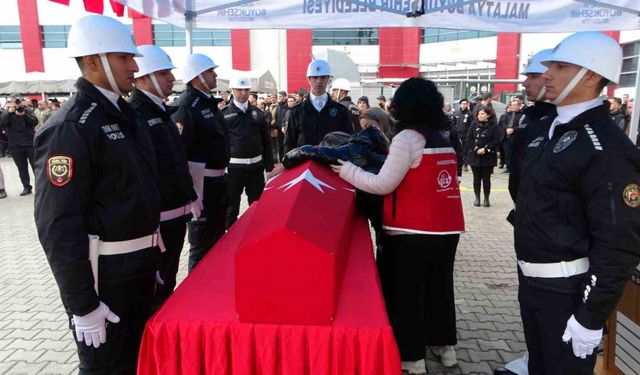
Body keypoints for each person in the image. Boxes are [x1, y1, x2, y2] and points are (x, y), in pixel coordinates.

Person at [33, 15, 162, 374]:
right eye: (125, 57)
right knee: (106, 368)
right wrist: (82, 304)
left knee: (137, 363)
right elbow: (58, 225)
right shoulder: (71, 127)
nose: (135, 66)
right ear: (93, 61)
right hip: (104, 279)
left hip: (137, 269)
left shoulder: (126, 113)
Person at [514, 32, 640, 375]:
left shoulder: (605, 147)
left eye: (561, 66)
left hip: (568, 290)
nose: (548, 73)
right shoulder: (548, 129)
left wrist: (590, 314)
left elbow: (619, 241)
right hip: (534, 283)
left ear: (591, 76)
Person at [331, 77, 464, 374]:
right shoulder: (442, 137)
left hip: (410, 231)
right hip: (447, 228)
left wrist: (347, 170)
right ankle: (445, 347)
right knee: (439, 289)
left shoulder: (407, 138)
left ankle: (412, 358)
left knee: (408, 294)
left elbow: (382, 184)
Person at [496, 48, 558, 375]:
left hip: (553, 236)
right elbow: (517, 169)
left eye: (533, 75)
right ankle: (534, 357)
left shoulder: (560, 123)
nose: (525, 81)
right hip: (528, 224)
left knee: (549, 308)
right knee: (529, 301)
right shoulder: (531, 118)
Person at [128, 45, 196, 310]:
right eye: (163, 73)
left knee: (167, 284)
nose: (171, 78)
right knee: (157, 292)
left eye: (169, 72)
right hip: (158, 223)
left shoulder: (159, 110)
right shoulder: (137, 113)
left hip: (174, 216)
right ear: (143, 78)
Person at [172, 53, 229, 272]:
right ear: (197, 77)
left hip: (216, 184)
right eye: (210, 71)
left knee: (216, 240)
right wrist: (191, 193)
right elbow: (179, 153)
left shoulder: (207, 103)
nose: (214, 75)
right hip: (201, 186)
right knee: (201, 245)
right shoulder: (187, 106)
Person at [222, 75, 274, 228]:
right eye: (239, 89)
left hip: (256, 169)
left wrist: (269, 167)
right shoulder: (223, 114)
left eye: (246, 89)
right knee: (231, 208)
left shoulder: (258, 113)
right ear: (232, 89)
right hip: (233, 169)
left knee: (257, 206)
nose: (243, 93)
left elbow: (266, 141)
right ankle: (229, 241)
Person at [283, 59, 353, 153]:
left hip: (331, 165)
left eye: (323, 77)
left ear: (329, 79)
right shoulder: (296, 111)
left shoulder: (341, 111)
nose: (319, 81)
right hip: (304, 164)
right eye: (315, 77)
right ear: (309, 79)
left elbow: (348, 141)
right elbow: (289, 143)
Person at [465, 106, 501, 207]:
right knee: (476, 178)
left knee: (486, 178)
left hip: (488, 156)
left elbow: (497, 139)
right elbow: (469, 138)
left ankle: (486, 198)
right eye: (479, 114)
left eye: (482, 114)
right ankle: (477, 198)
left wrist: (486, 149)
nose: (480, 116)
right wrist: (475, 149)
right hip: (474, 155)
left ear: (488, 115)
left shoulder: (494, 126)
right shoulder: (474, 124)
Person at [0, 102, 37, 196]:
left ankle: (40, 186)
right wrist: (9, 113)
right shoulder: (6, 114)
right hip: (16, 145)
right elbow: (3, 124)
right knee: (22, 168)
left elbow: (35, 122)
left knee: (36, 166)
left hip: (30, 144)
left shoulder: (27, 111)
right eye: (11, 105)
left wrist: (24, 115)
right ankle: (26, 187)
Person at [453, 99, 472, 172]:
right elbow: (453, 124)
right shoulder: (456, 113)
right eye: (462, 104)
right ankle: (457, 163)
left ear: (467, 105)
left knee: (465, 150)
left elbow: (471, 125)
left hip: (466, 136)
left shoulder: (470, 114)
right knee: (457, 150)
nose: (463, 105)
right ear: (460, 104)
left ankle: (465, 164)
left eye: (465, 104)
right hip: (457, 135)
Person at [271, 90, 289, 162]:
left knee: (286, 146)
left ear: (285, 97)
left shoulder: (288, 106)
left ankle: (287, 160)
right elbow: (276, 117)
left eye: (280, 96)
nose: (279, 98)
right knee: (280, 146)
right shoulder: (278, 106)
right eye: (278, 96)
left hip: (286, 130)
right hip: (278, 129)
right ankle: (281, 161)